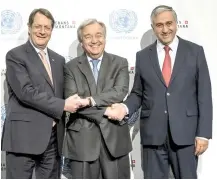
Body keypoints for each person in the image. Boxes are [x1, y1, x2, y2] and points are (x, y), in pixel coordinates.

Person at [108, 5, 213, 179]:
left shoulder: (195, 52)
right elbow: (138, 93)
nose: (165, 29)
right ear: (153, 27)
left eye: (169, 23)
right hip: (153, 136)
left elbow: (204, 95)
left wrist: (203, 133)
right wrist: (124, 108)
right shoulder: (142, 56)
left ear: (176, 24)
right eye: (159, 25)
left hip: (185, 135)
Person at [1, 8, 81, 179]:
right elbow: (25, 92)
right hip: (23, 138)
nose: (42, 31)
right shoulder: (15, 56)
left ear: (52, 30)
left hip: (53, 139)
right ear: (29, 27)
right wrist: (63, 105)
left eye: (47, 27)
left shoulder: (58, 60)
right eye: (38, 26)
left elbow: (64, 91)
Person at [63, 18, 132, 179]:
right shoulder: (70, 67)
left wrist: (90, 100)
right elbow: (74, 101)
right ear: (81, 42)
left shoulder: (120, 63)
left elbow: (119, 92)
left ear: (105, 38)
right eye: (88, 36)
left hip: (115, 139)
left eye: (99, 35)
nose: (94, 41)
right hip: (82, 142)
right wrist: (107, 110)